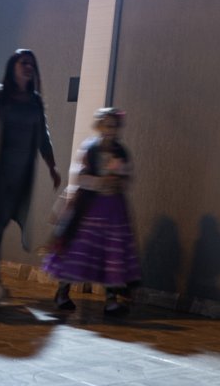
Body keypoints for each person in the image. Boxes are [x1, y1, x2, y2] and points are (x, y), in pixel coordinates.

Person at [0, 49, 62, 306]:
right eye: (23, 62)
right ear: (11, 66)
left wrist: (52, 166)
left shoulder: (35, 101)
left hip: (18, 177)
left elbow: (43, 136)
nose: (28, 67)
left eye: (31, 64)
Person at [43, 106, 140, 316]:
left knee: (112, 252)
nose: (110, 130)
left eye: (114, 126)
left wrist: (120, 182)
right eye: (106, 125)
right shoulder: (90, 149)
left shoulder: (121, 151)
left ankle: (111, 299)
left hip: (113, 209)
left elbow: (127, 176)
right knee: (79, 249)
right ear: (99, 126)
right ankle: (62, 292)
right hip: (90, 207)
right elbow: (81, 178)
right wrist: (100, 181)